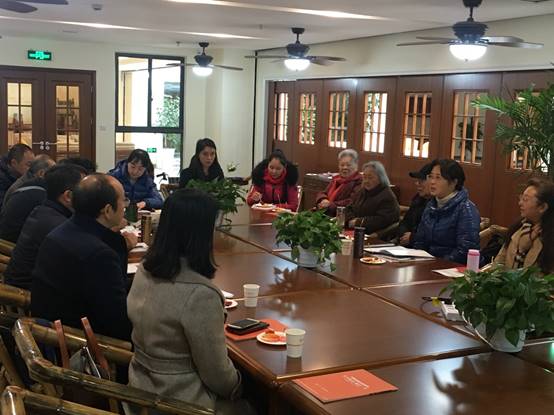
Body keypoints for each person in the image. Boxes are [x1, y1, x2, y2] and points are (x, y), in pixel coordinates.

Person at [127, 189, 248, 414]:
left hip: (139, 388)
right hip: (179, 401)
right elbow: (218, 376)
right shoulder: (200, 294)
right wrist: (241, 386)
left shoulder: (144, 269)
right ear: (200, 234)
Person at [31, 174, 131, 340]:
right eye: (123, 200)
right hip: (79, 343)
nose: (125, 206)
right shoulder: (99, 255)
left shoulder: (61, 231)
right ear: (107, 210)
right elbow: (117, 322)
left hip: (49, 331)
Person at [4, 165, 85, 289]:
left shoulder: (42, 210)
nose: (89, 196)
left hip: (25, 286)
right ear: (68, 196)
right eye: (85, 192)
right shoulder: (58, 226)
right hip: (32, 294)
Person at [412, 159, 480, 264]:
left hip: (452, 267)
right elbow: (420, 241)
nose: (432, 182)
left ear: (454, 182)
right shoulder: (431, 205)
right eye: (431, 177)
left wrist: (437, 264)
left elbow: (465, 251)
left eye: (438, 178)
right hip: (428, 264)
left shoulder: (466, 209)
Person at [493, 178, 554, 274]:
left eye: (525, 200)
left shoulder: (549, 239)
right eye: (521, 198)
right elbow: (498, 263)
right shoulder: (518, 228)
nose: (520, 203)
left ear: (542, 207)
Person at [344, 161, 400, 234]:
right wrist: (350, 220)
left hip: (371, 234)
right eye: (364, 177)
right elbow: (349, 208)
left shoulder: (387, 196)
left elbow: (382, 220)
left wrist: (357, 222)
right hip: (354, 230)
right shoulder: (362, 191)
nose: (366, 181)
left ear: (380, 178)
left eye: (370, 178)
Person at [391, 163, 433, 246]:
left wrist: (412, 237)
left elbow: (431, 234)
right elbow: (405, 222)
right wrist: (403, 235)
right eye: (417, 180)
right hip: (405, 245)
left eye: (421, 181)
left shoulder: (437, 205)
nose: (417, 183)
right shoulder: (418, 199)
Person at [315, 149, 362, 216]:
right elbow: (323, 192)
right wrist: (323, 200)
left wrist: (329, 205)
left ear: (356, 166)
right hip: (325, 212)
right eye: (342, 165)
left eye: (348, 165)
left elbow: (351, 201)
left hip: (341, 216)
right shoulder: (336, 179)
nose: (345, 167)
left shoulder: (359, 181)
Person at [0, 144, 34, 208]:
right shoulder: (2, 179)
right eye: (28, 165)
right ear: (14, 163)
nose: (32, 168)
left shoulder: (22, 175)